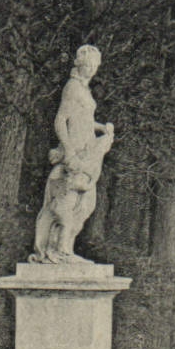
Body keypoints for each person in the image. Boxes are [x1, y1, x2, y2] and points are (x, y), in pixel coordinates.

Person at [31, 45, 115, 264]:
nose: (92, 69)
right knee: (69, 200)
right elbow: (60, 120)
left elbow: (84, 120)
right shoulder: (73, 88)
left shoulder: (84, 89)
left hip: (86, 149)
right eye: (89, 65)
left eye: (95, 65)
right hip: (76, 151)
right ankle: (58, 249)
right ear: (80, 64)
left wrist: (101, 128)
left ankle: (62, 247)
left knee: (85, 203)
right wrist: (67, 149)